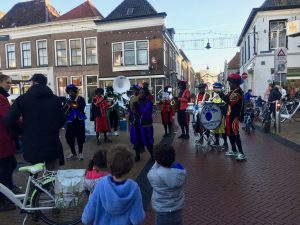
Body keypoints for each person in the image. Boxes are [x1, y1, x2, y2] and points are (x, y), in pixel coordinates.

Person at [5, 73, 65, 170]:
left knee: (33, 174)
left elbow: (9, 120)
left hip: (32, 144)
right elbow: (62, 120)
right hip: (51, 143)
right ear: (45, 83)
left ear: (33, 82)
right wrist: (52, 128)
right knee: (51, 175)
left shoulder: (23, 99)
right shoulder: (55, 100)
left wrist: (21, 131)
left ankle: (33, 184)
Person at [81, 145, 145, 225]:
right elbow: (137, 219)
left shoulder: (101, 185)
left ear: (109, 164)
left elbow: (87, 218)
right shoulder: (134, 189)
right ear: (129, 167)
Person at [147, 144, 186, 225]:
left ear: (157, 160)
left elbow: (152, 170)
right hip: (177, 208)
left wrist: (157, 161)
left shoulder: (153, 175)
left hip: (161, 210)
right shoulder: (180, 172)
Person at [216, 74, 246, 161]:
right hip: (229, 115)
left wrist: (221, 94)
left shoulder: (238, 92)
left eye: (230, 83)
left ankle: (241, 153)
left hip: (234, 116)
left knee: (236, 134)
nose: (229, 84)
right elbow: (227, 100)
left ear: (235, 83)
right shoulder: (233, 91)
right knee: (230, 133)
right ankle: (233, 150)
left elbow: (230, 102)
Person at [0, 74, 18, 212]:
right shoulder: (1, 98)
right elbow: (8, 116)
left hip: (5, 137)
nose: (9, 84)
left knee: (10, 164)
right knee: (5, 168)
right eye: (7, 82)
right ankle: (2, 201)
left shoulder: (3, 97)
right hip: (2, 139)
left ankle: (9, 188)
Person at [63, 84, 87, 161]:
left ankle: (80, 153)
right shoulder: (67, 100)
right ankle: (73, 153)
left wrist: (71, 103)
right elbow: (64, 111)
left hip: (79, 121)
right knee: (69, 138)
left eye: (72, 91)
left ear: (76, 92)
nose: (71, 93)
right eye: (69, 92)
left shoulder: (81, 99)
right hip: (70, 122)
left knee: (80, 137)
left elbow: (81, 107)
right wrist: (65, 106)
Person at [134, 87, 154, 161]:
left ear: (145, 94)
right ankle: (137, 155)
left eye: (142, 92)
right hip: (138, 124)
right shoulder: (136, 101)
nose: (140, 94)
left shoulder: (149, 102)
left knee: (148, 141)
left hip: (146, 124)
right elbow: (132, 111)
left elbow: (146, 111)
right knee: (137, 140)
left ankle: (152, 155)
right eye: (140, 92)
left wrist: (138, 106)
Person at [210, 82, 228, 149]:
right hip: (214, 114)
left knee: (222, 129)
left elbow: (225, 104)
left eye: (216, 87)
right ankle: (217, 141)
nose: (214, 89)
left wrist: (217, 105)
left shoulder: (223, 95)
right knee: (215, 128)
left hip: (221, 113)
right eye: (214, 87)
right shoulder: (212, 94)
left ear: (219, 88)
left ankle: (225, 143)